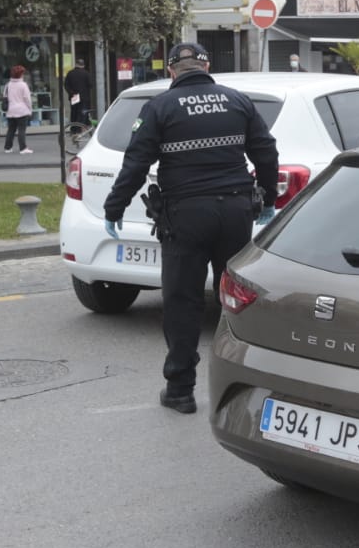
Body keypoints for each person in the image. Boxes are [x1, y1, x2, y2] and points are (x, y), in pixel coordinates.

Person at [102, 42, 279, 414]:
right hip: (234, 210)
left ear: (171, 70)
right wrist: (267, 200)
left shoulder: (160, 107)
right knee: (237, 299)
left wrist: (114, 207)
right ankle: (246, 385)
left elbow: (135, 163)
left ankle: (180, 390)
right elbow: (266, 151)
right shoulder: (237, 101)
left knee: (182, 300)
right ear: (207, 65)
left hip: (186, 215)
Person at [2, 65, 34, 154]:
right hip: (22, 111)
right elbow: (27, 99)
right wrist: (30, 109)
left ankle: (7, 148)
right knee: (21, 130)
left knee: (11, 130)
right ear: (21, 74)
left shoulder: (7, 85)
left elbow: (5, 96)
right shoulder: (23, 85)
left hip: (10, 111)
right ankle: (23, 148)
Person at [64, 58, 93, 126]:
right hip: (84, 97)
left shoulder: (70, 73)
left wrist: (72, 93)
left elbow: (66, 85)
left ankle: (74, 129)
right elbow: (91, 85)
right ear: (83, 65)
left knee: (74, 112)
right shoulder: (86, 73)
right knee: (82, 113)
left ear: (76, 64)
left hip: (74, 96)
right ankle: (81, 128)